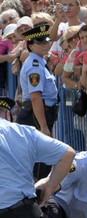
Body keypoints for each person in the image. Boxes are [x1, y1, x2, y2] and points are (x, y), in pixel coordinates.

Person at [16, 24, 58, 180]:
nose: (45, 45)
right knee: (41, 160)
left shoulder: (38, 61)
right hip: (37, 113)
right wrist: (43, 126)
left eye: (46, 41)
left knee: (39, 158)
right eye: (39, 42)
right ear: (30, 45)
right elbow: (35, 97)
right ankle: (38, 197)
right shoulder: (35, 65)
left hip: (40, 112)